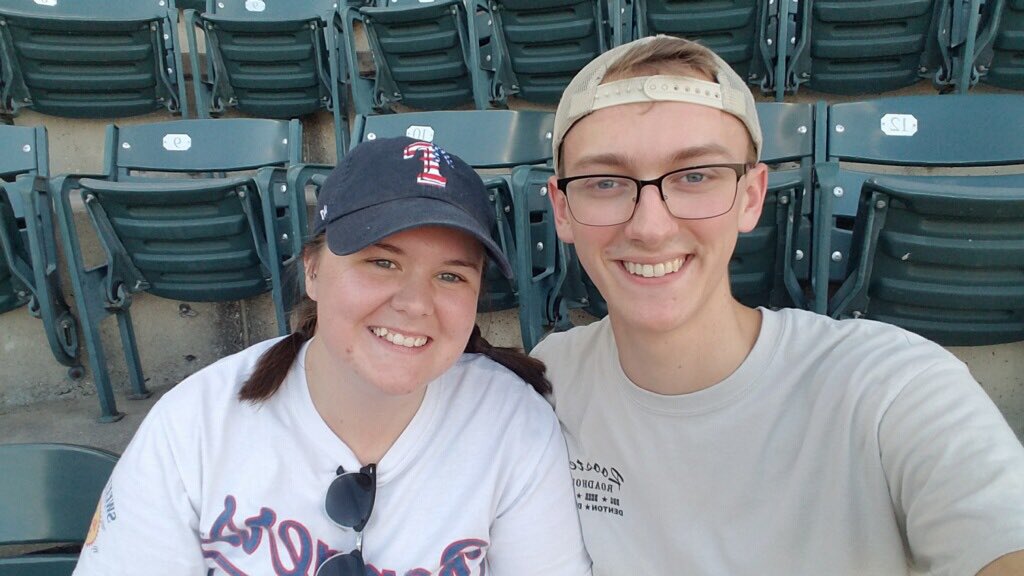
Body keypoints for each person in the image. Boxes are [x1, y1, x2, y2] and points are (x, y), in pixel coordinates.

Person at [532, 35, 1024, 575]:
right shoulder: (549, 380)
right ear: (562, 209)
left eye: (696, 176)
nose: (650, 226)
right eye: (605, 182)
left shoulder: (890, 385)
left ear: (751, 195)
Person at [74, 136, 591, 576]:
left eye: (451, 275)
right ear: (313, 271)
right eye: (382, 262)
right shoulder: (195, 424)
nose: (415, 303)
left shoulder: (513, 425)